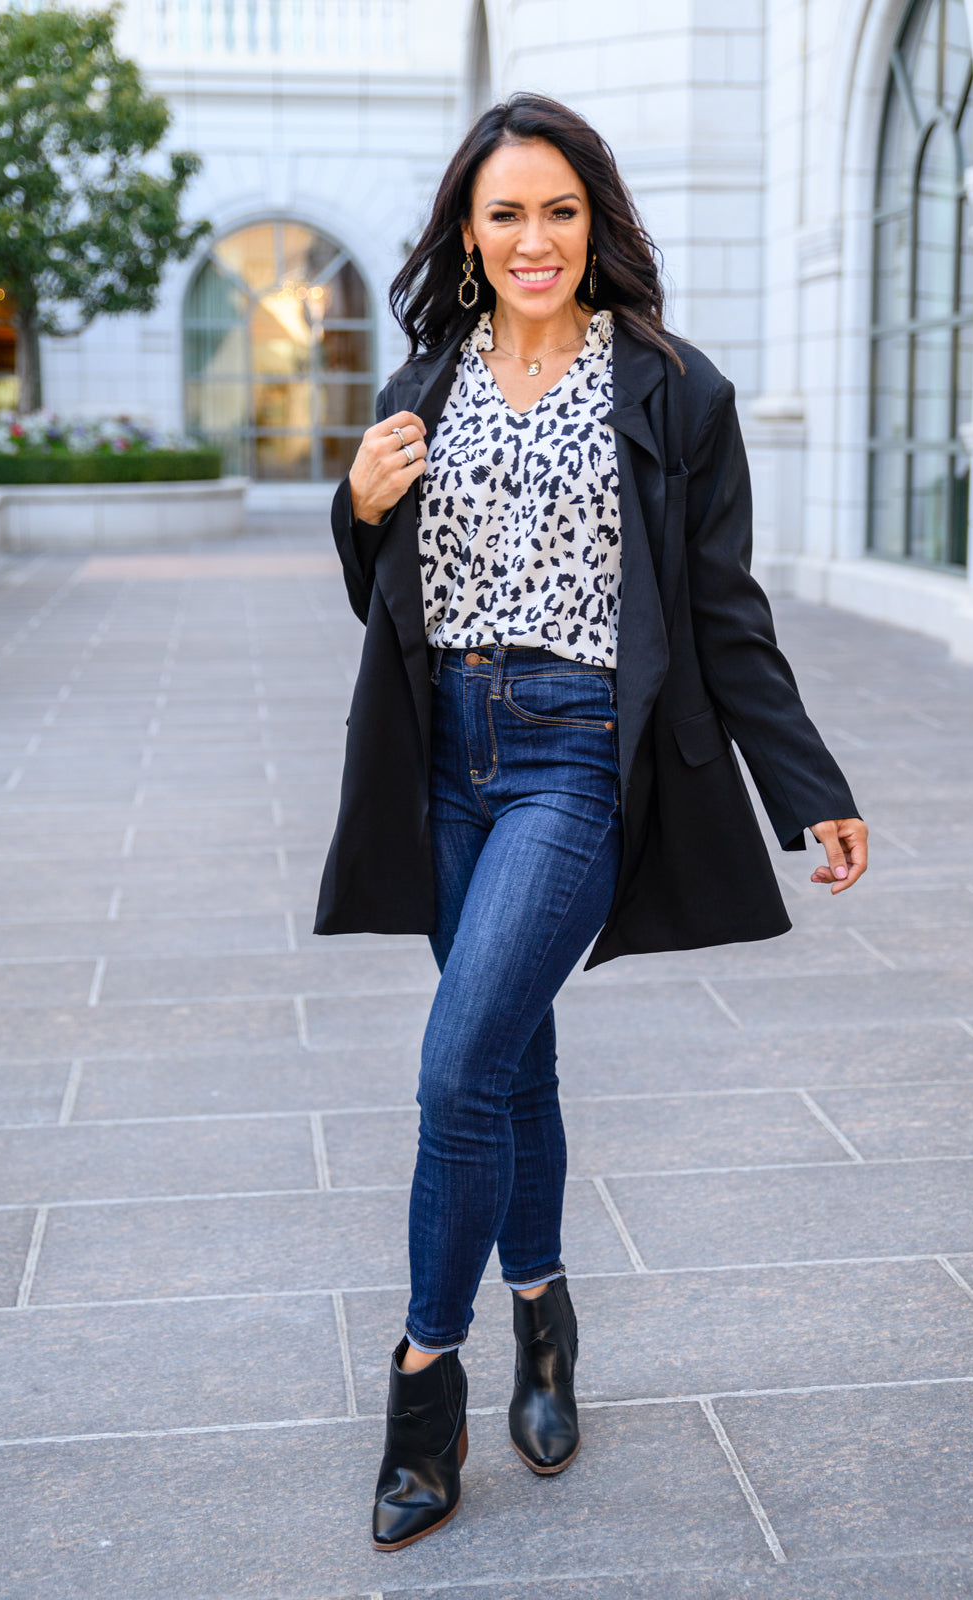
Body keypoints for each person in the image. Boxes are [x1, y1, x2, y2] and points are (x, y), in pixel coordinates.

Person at [315, 92, 868, 1552]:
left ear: (596, 221)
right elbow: (387, 603)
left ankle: (424, 1385)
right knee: (510, 1059)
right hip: (442, 756)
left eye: (558, 209)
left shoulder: (673, 392)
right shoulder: (424, 378)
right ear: (469, 234)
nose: (533, 238)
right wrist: (358, 509)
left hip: (573, 757)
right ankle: (545, 1315)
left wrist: (808, 789)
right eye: (505, 214)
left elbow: (721, 612)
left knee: (452, 1072)